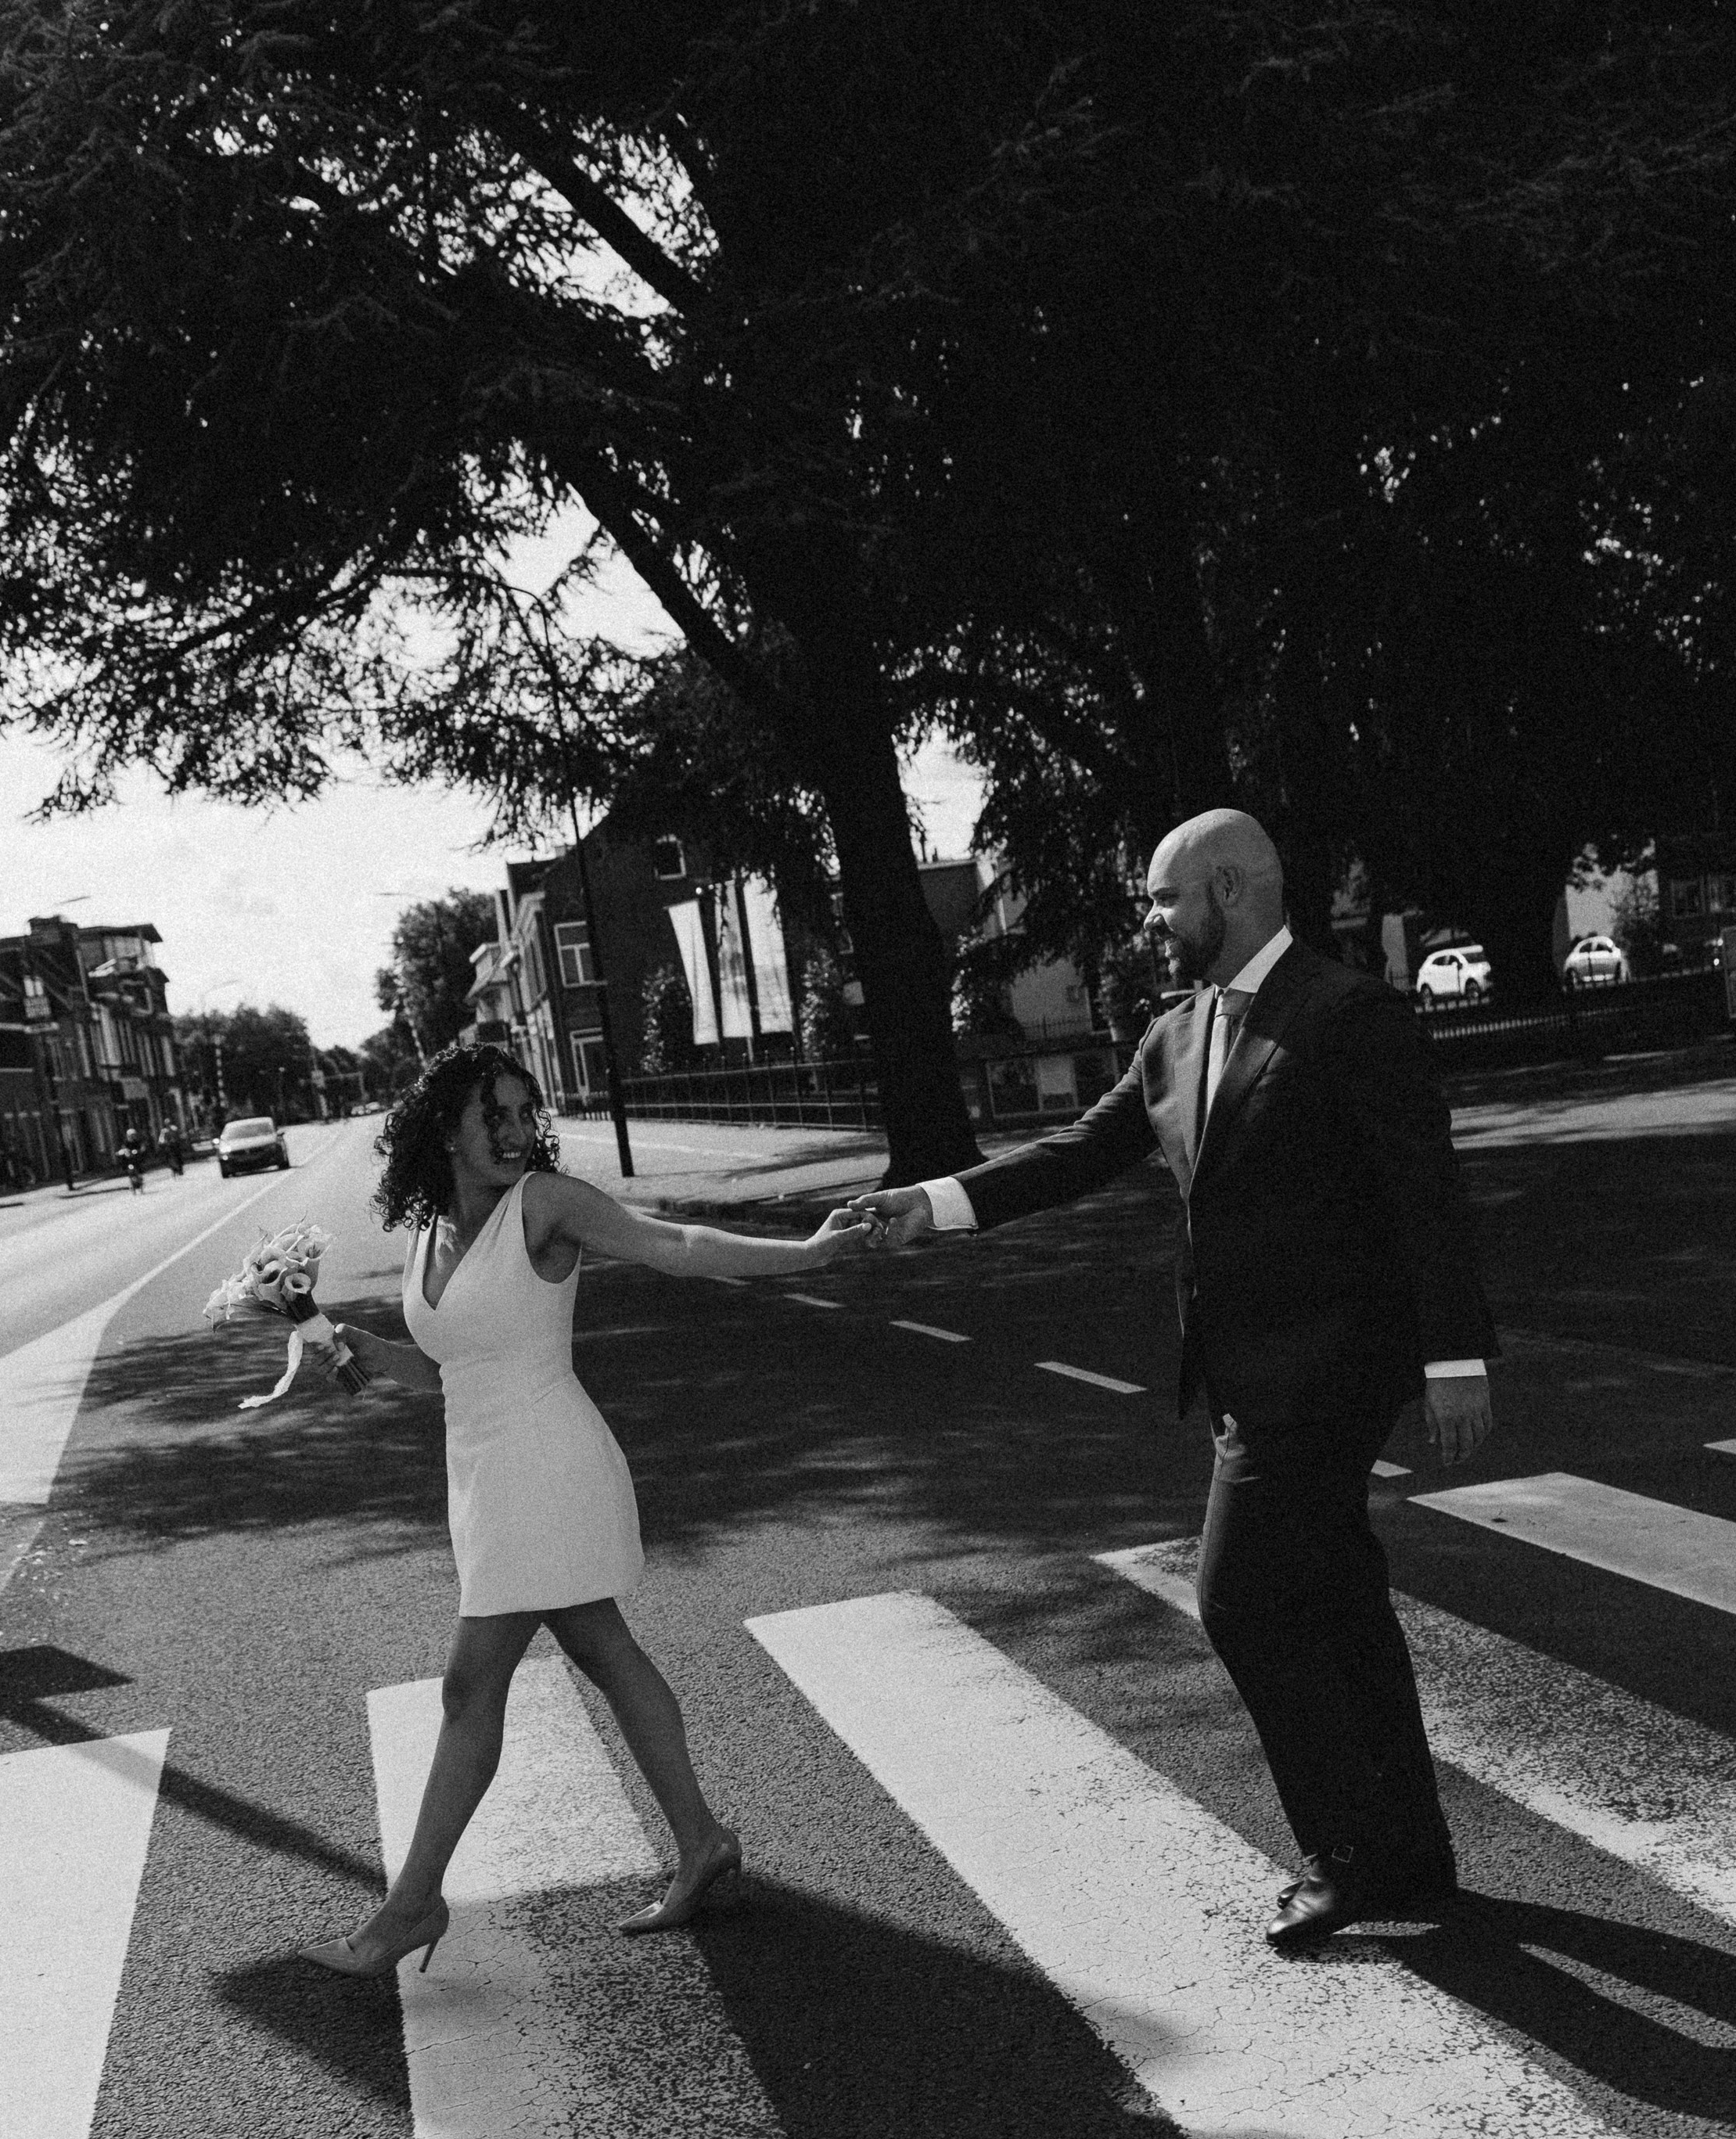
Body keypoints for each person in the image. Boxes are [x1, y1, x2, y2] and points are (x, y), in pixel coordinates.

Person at [857, 808, 1497, 1954]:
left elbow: (1424, 1193)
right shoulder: (1174, 1033)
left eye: (1165, 898)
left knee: (1238, 1597)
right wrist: (934, 1204)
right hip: (1242, 1374)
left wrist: (1453, 1359)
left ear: (1230, 888)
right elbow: (1074, 1155)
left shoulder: (1347, 1014)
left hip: (1328, 1370)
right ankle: (1412, 1851)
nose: (1152, 921)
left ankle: (1347, 1857)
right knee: (1338, 1602)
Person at [302, 1041, 872, 1975]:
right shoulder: (430, 1228)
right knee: (602, 1647)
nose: (514, 1131)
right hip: (482, 1472)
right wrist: (362, 1349)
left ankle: (411, 1904)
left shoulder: (544, 1204)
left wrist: (805, 1251)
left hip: (544, 1463)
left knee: (469, 1686)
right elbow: (452, 1367)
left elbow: (674, 1244)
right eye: (493, 1114)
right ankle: (700, 1839)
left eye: (523, 1113)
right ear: (442, 1128)